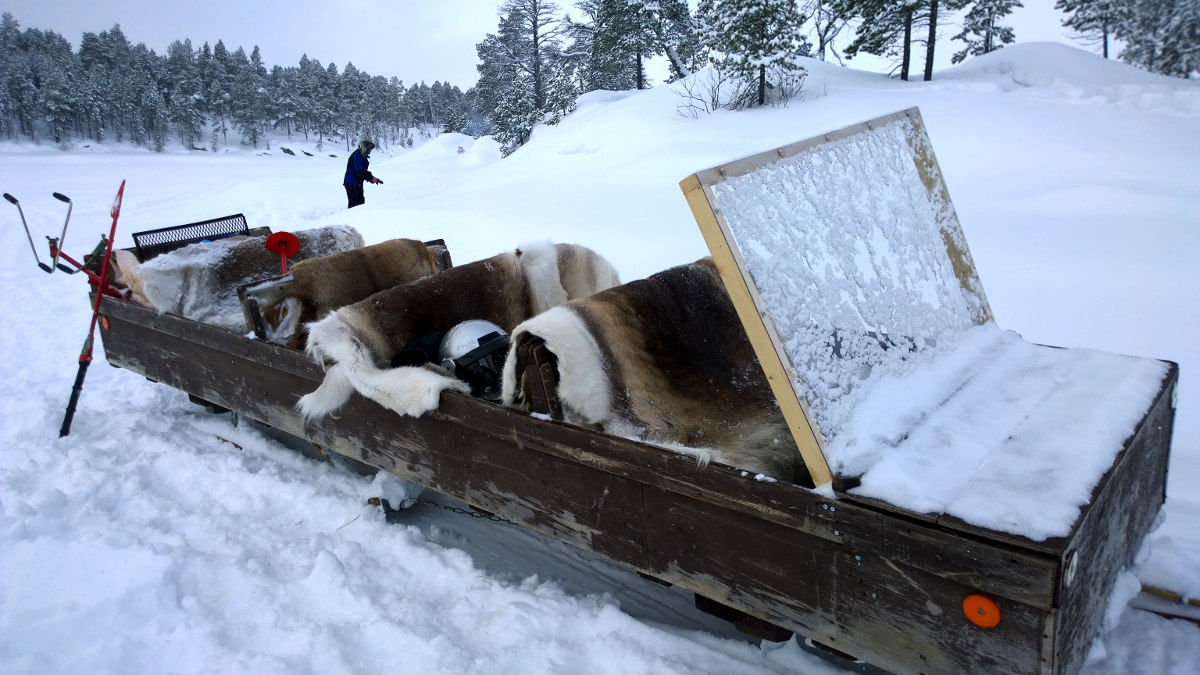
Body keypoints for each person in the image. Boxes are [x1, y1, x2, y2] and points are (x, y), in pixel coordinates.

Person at [343, 139, 383, 208]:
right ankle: (351, 218)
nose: (370, 151)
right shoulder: (357, 155)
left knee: (359, 203)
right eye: (369, 149)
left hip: (356, 183)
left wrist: (372, 178)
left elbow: (362, 172)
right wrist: (371, 178)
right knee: (356, 205)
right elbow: (360, 172)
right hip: (352, 184)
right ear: (365, 148)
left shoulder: (362, 155)